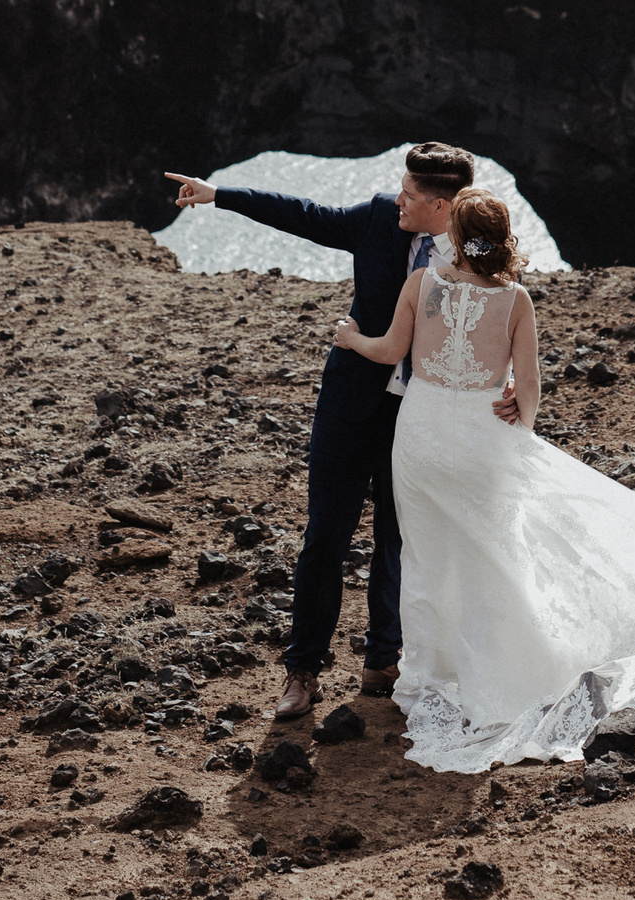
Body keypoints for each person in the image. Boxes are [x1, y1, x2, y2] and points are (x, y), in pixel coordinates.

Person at [333, 186, 635, 772]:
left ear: (454, 237)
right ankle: (503, 667)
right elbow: (530, 387)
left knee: (429, 557)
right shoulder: (516, 299)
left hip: (420, 440)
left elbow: (391, 349)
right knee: (496, 555)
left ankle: (433, 674)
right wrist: (514, 424)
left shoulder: (422, 284)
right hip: (479, 442)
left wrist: (350, 339)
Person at [164, 143, 475, 721]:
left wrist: (505, 388)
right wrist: (220, 195)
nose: (397, 199)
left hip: (421, 413)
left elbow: (498, 311)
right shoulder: (383, 215)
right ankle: (302, 671)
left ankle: (383, 661)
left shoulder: (475, 242)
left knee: (397, 538)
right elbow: (308, 215)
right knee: (324, 539)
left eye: (410, 195)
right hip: (349, 403)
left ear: (442, 206)